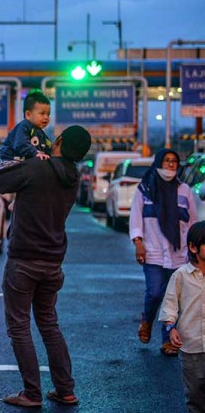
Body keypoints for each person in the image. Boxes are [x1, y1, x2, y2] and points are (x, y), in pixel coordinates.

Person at [0, 125, 92, 408]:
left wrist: (26, 156)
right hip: (53, 261)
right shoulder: (72, 176)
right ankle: (65, 389)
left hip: (23, 259)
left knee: (19, 327)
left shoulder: (38, 168)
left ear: (57, 141)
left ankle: (32, 393)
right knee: (48, 324)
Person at [129, 149, 197, 356]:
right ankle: (147, 320)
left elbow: (192, 221)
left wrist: (194, 248)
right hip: (153, 252)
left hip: (179, 253)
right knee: (155, 292)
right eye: (166, 161)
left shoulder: (184, 190)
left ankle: (168, 340)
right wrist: (138, 243)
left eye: (174, 161)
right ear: (158, 163)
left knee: (174, 299)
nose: (170, 165)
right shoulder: (145, 189)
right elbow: (136, 218)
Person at [159, 221, 205, 412]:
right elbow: (170, 305)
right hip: (191, 345)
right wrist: (171, 327)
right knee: (194, 393)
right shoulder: (180, 276)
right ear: (193, 247)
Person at [0, 90, 53, 168]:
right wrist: (36, 153)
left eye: (48, 114)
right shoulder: (23, 127)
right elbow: (21, 143)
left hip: (23, 164)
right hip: (10, 163)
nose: (46, 117)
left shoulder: (42, 134)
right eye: (42, 113)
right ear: (28, 115)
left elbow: (47, 148)